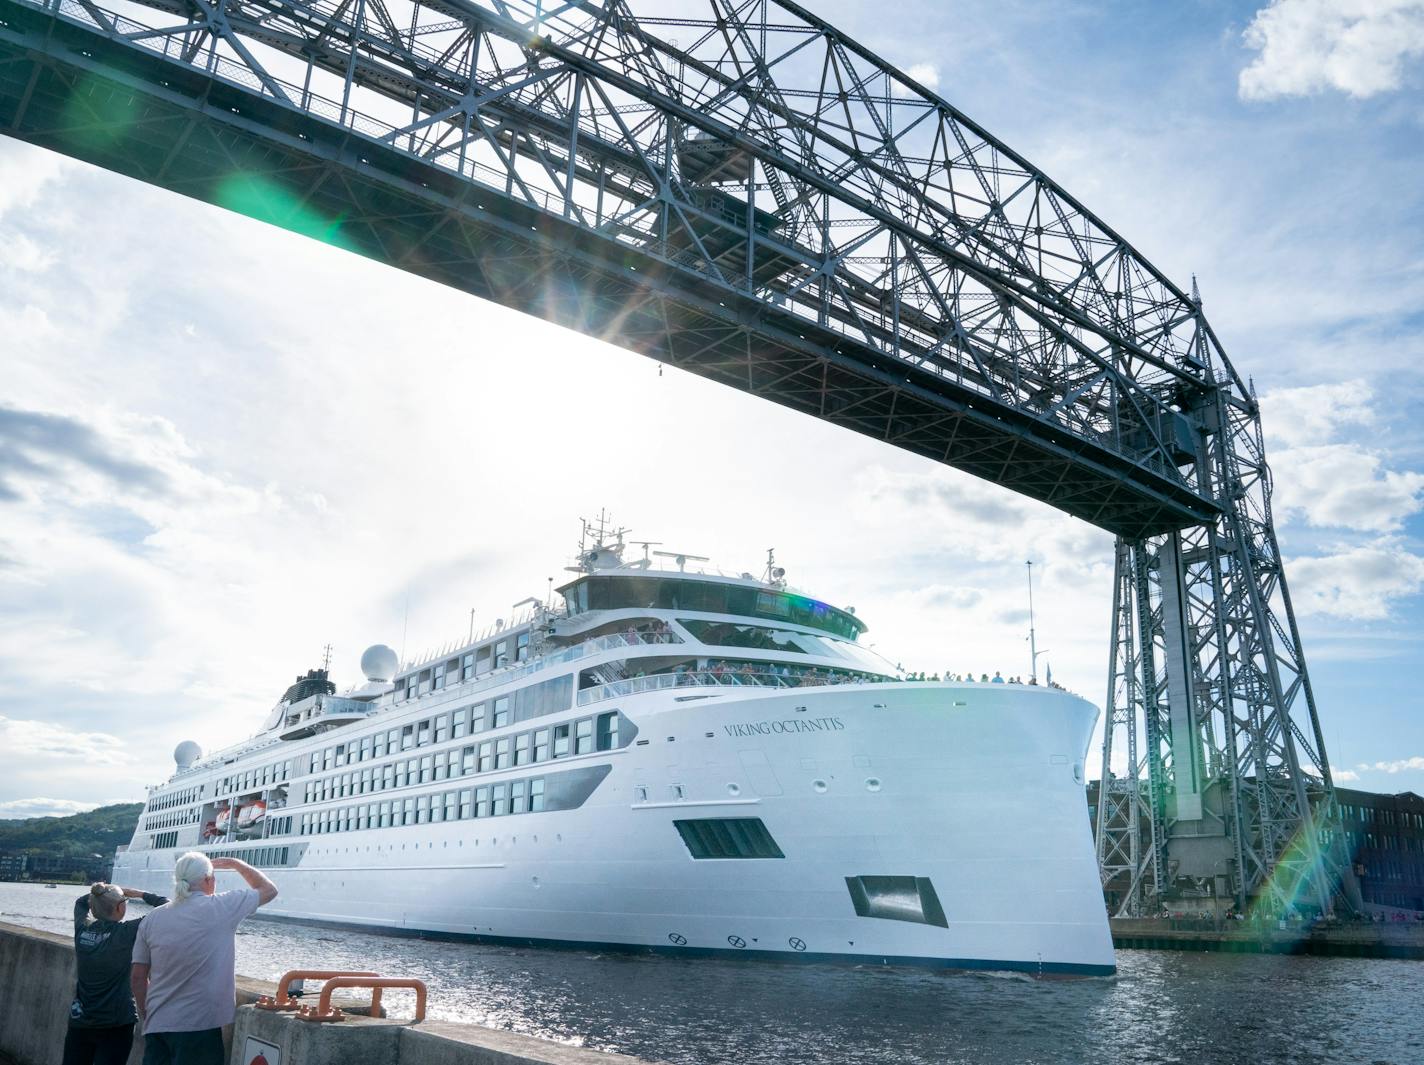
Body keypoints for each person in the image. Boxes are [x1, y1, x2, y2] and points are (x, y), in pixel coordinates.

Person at [131, 853, 278, 1065]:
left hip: (158, 1026)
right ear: (209, 880)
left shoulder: (153, 918)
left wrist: (147, 1012)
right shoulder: (221, 907)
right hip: (199, 1026)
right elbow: (269, 890)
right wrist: (236, 864)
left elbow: (137, 977)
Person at [64, 882, 169, 1065]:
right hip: (117, 1023)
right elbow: (167, 908)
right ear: (120, 907)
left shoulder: (82, 930)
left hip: (80, 1020)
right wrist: (139, 893)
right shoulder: (126, 933)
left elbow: (81, 903)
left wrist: (101, 893)